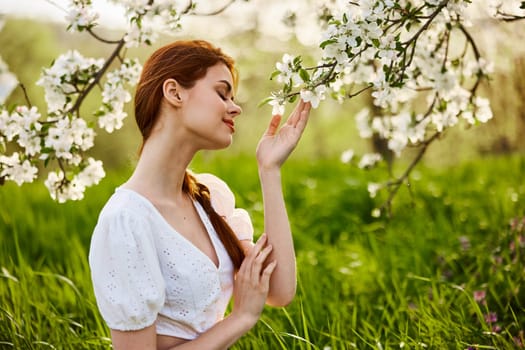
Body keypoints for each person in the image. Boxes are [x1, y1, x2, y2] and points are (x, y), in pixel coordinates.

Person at [88, 39, 311, 350]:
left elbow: (279, 290)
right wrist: (242, 317)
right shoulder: (126, 220)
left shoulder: (209, 197)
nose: (236, 107)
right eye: (222, 93)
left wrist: (269, 170)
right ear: (174, 92)